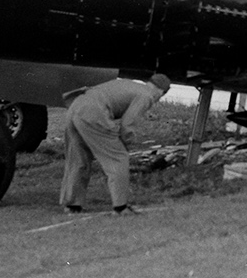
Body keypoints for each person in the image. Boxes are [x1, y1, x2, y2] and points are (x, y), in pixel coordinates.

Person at [59, 73, 172, 215]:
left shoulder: (131, 84)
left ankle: (72, 205)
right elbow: (128, 124)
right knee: (118, 158)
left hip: (76, 106)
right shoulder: (147, 96)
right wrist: (126, 144)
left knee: (78, 158)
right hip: (93, 113)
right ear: (161, 92)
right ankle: (121, 207)